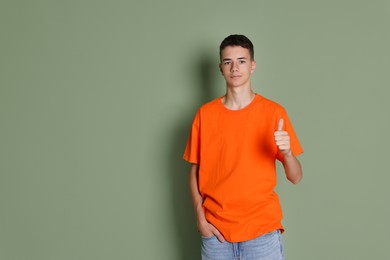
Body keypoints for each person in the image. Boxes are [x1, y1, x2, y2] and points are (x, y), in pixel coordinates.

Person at [183, 34, 303, 260]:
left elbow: (296, 177)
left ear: (253, 65)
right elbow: (194, 171)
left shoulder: (273, 113)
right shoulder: (205, 115)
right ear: (220, 68)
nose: (235, 68)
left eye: (242, 61)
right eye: (228, 62)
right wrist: (200, 217)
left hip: (262, 234)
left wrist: (287, 154)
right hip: (216, 236)